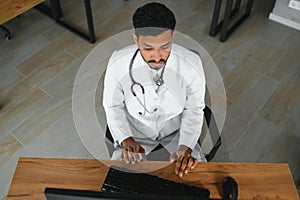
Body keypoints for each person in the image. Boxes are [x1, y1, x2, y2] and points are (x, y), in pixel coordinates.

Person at [103, 2, 206, 177]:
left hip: (176, 134)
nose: (157, 56)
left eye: (164, 47)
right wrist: (127, 140)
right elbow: (113, 106)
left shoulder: (192, 63)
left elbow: (194, 109)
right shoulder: (117, 62)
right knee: (121, 182)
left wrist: (185, 147)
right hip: (135, 135)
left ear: (172, 36)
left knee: (195, 178)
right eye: (148, 48)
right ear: (136, 39)